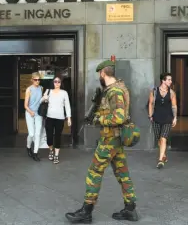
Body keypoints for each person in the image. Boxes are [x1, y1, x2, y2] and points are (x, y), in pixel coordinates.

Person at [65, 60, 138, 223]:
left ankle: (86, 211)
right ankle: (130, 209)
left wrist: (98, 118)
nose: (99, 76)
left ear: (103, 73)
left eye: (100, 74)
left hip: (110, 139)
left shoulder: (114, 92)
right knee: (122, 173)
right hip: (117, 139)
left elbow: (119, 117)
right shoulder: (117, 88)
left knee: (94, 172)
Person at [148, 72, 177, 169]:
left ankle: (160, 160)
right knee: (159, 139)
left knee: (164, 138)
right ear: (163, 80)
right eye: (169, 80)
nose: (170, 81)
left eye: (171, 80)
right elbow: (151, 104)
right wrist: (150, 115)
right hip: (156, 118)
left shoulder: (172, 93)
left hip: (167, 118)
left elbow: (174, 106)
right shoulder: (154, 91)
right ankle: (163, 154)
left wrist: (175, 117)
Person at [41, 74, 72, 164]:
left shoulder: (64, 93)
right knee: (49, 137)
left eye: (59, 81)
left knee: (58, 137)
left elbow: (67, 106)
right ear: (53, 83)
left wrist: (69, 118)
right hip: (49, 117)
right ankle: (51, 150)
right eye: (55, 81)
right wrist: (44, 98)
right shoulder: (48, 91)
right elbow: (40, 101)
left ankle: (56, 155)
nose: (57, 83)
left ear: (61, 83)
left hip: (60, 118)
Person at [24, 72, 43, 161]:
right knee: (31, 133)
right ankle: (28, 147)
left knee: (38, 133)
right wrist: (30, 112)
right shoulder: (29, 90)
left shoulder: (41, 88)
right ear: (32, 80)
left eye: (39, 80)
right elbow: (25, 105)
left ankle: (35, 153)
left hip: (39, 113)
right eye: (35, 80)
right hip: (29, 113)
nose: (37, 81)